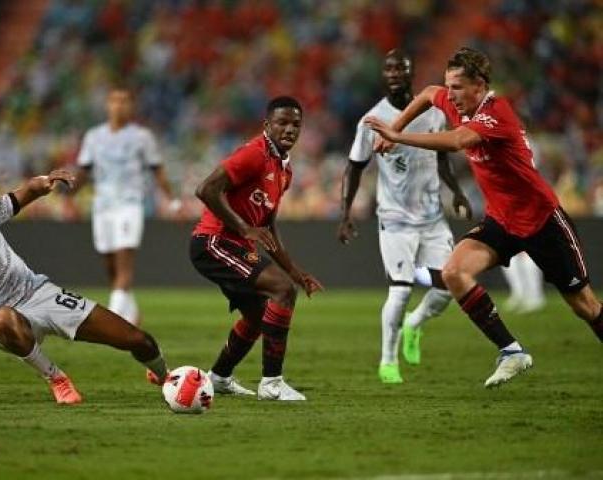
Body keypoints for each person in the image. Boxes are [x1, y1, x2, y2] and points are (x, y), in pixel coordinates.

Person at [365, 46, 603, 388]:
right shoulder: (453, 100)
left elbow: (460, 140)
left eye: (458, 87)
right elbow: (430, 94)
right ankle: (512, 352)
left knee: (586, 307)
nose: (451, 94)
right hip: (502, 222)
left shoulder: (497, 112)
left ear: (480, 85)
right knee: (454, 273)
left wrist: (399, 136)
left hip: (542, 221)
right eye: (450, 85)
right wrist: (395, 124)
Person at [0, 169, 168, 405]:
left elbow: (23, 194)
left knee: (138, 339)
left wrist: (43, 183)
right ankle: (57, 378)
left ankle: (165, 377)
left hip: (39, 293)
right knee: (1, 318)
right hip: (1, 323)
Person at [338, 49, 472, 384]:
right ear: (384, 76)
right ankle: (388, 361)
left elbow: (442, 155)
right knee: (400, 290)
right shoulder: (372, 120)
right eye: (389, 70)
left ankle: (415, 324)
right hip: (395, 220)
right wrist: (345, 213)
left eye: (401, 69)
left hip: (431, 218)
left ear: (411, 74)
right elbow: (353, 168)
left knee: (450, 287)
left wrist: (455, 190)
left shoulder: (432, 112)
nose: (395, 74)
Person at [191, 96, 323, 401]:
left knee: (257, 314)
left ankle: (220, 376)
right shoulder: (254, 154)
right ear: (267, 125)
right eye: (283, 122)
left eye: (296, 124)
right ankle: (272, 384)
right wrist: (243, 228)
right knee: (281, 291)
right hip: (212, 241)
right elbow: (206, 189)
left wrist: (295, 271)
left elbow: (269, 227)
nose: (290, 129)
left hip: (234, 243)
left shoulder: (283, 171)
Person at [73, 85, 182, 326]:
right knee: (110, 265)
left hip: (130, 205)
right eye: (114, 100)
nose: (118, 105)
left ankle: (111, 320)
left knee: (124, 264)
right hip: (102, 206)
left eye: (124, 101)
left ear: (131, 106)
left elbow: (158, 170)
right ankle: (132, 314)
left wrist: (172, 202)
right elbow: (84, 170)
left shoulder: (142, 137)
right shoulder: (94, 136)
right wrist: (67, 193)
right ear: (107, 105)